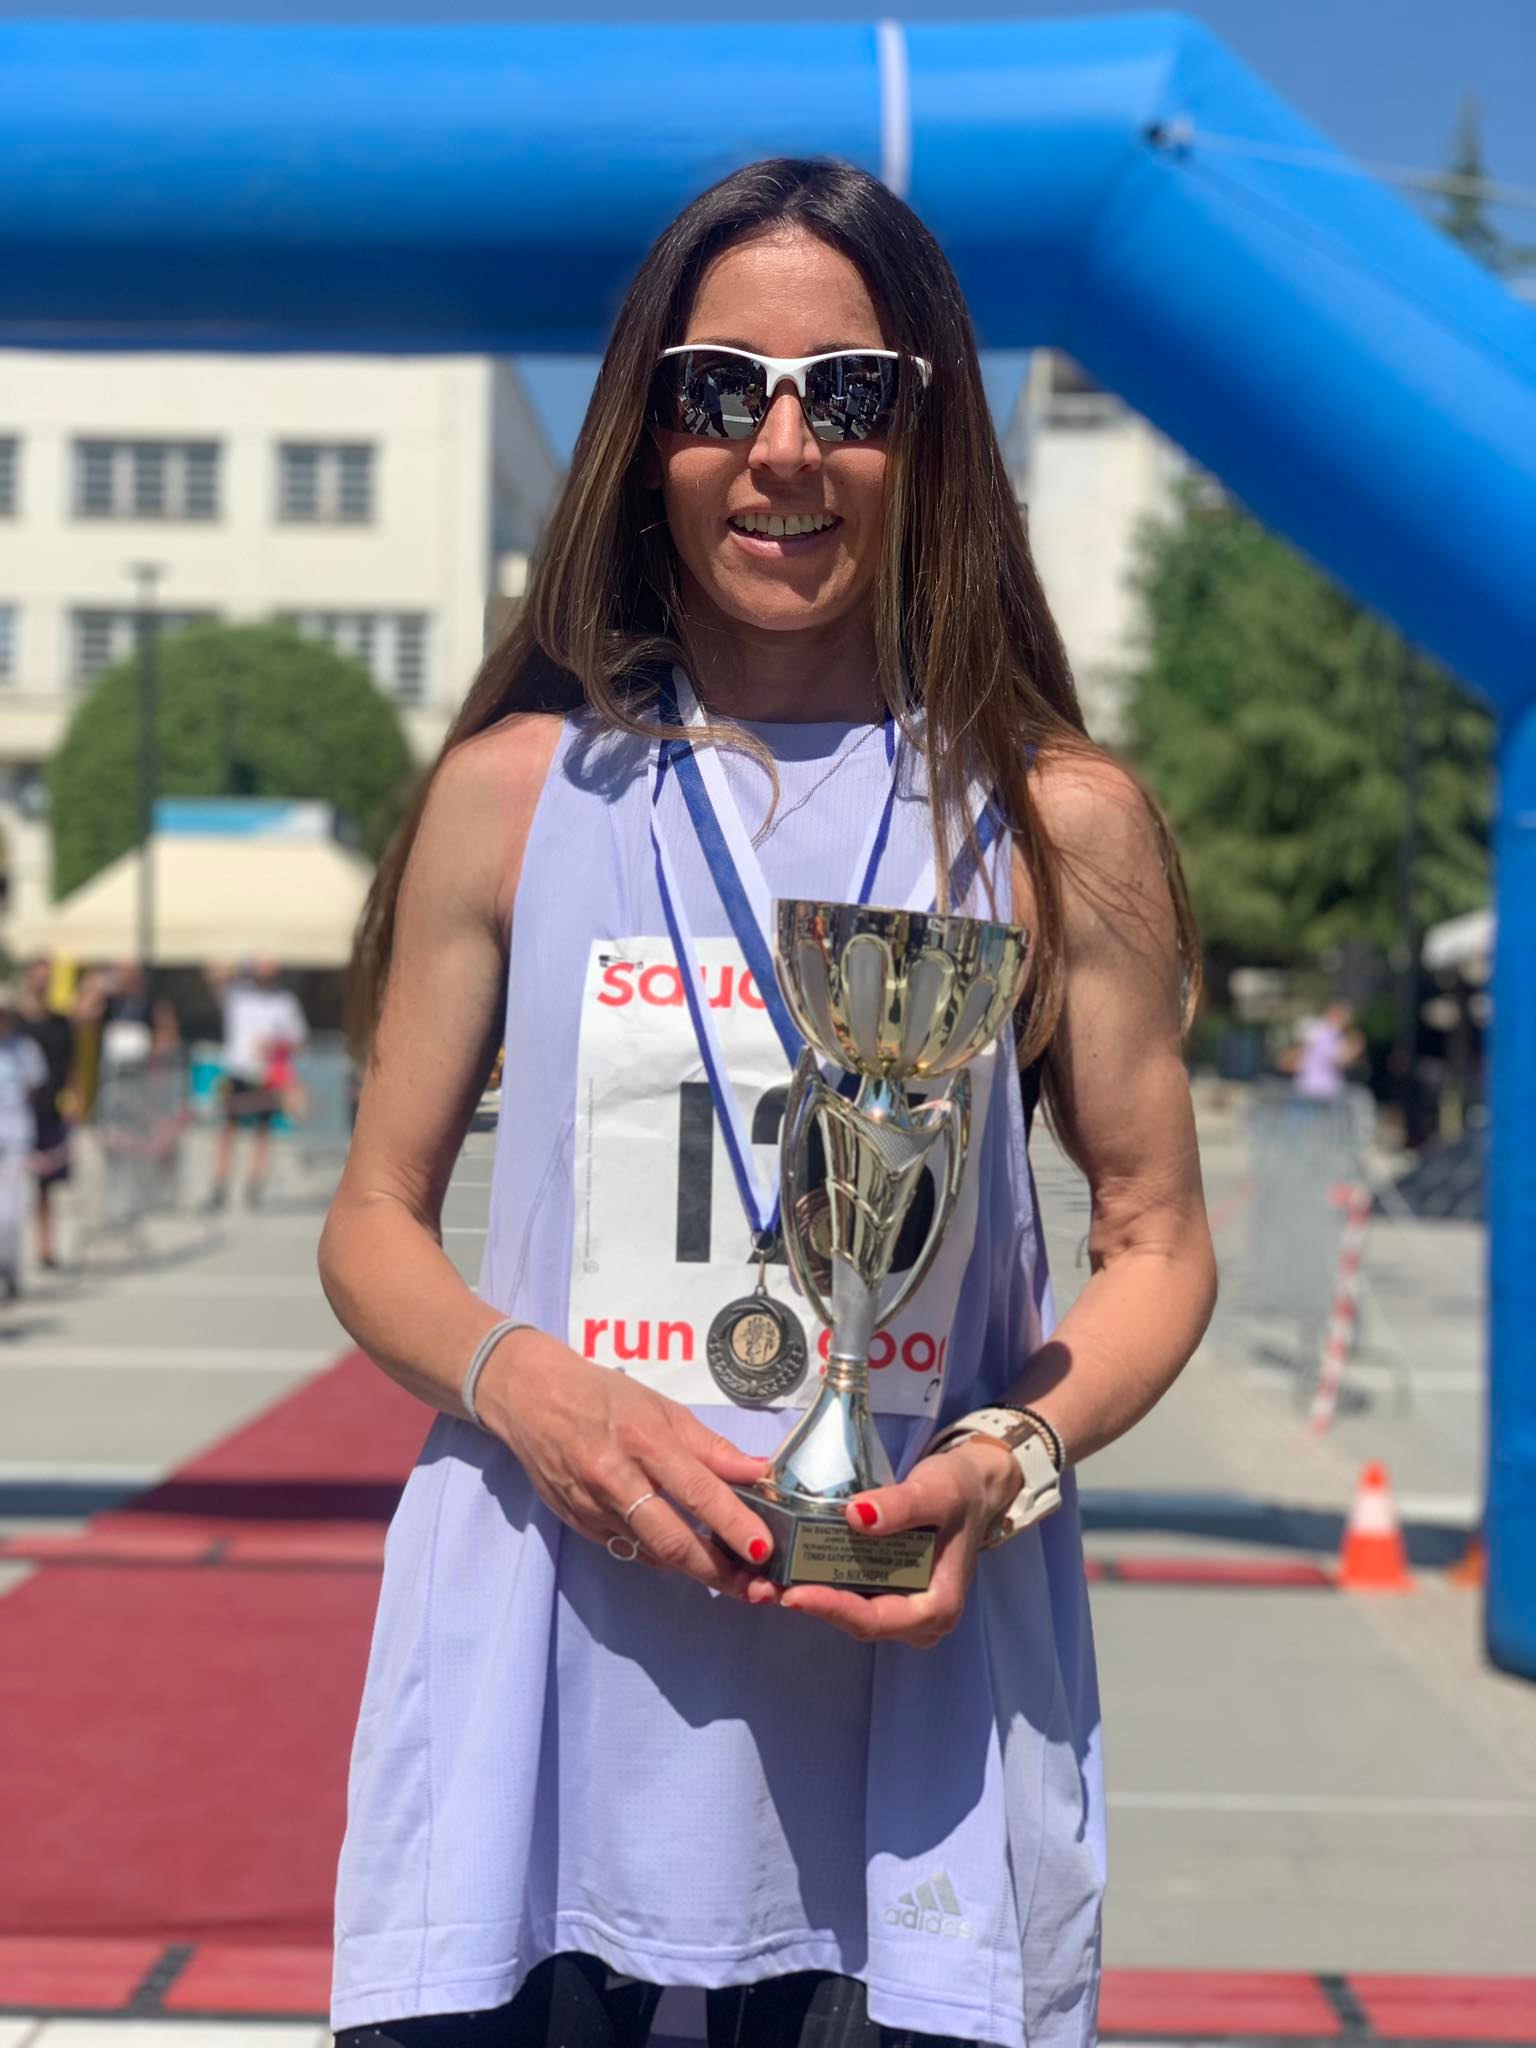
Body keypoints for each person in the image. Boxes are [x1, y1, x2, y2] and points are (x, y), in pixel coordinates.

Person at [321, 159, 1217, 2048]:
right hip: (542, 1727)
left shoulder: (1058, 825)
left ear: (931, 432)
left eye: (850, 394)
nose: (784, 447)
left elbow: (1157, 1243)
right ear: (647, 433)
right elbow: (372, 1226)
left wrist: (1002, 1461)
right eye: (721, 388)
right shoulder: (513, 795)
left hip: (913, 1762)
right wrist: (530, 1388)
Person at [201, 957, 308, 1210]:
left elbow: (299, 1038)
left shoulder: (285, 1001)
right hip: (236, 1070)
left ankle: (254, 1186)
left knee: (262, 1132)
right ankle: (219, 1186)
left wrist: (275, 1045)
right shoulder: (238, 993)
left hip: (265, 1075)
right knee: (227, 1129)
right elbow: (212, 972)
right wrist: (242, 962)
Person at [17, 956, 74, 1269]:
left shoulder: (59, 1022)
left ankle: (46, 1247)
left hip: (50, 1108)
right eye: (38, 976)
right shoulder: (14, 1020)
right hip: (15, 1112)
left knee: (46, 1184)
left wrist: (73, 1100)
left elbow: (71, 1064)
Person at [0, 983, 49, 1298]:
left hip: (15, 1134)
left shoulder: (25, 1049)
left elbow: (34, 1087)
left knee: (12, 1208)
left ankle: (10, 1266)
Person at [1280, 999, 1365, 1102]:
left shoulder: (1318, 1031)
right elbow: (1339, 1061)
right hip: (1320, 1090)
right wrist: (1355, 1048)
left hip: (1310, 1087)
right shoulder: (1327, 1033)